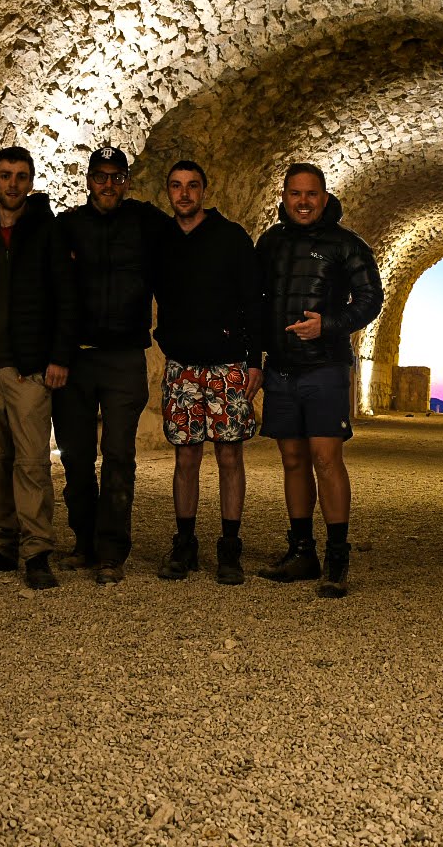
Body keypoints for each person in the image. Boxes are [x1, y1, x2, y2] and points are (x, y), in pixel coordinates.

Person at [255, 163, 383, 597]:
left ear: (324, 198)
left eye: (311, 194)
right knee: (292, 459)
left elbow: (370, 299)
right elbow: (256, 300)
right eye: (295, 193)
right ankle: (301, 551)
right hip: (280, 367)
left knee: (326, 459)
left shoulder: (347, 245)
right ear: (284, 197)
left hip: (325, 367)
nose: (304, 201)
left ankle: (337, 557)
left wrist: (327, 324)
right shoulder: (270, 243)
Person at [0, 146, 77, 590]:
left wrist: (59, 357)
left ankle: (37, 550)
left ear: (30, 182)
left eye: (20, 176)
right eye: (5, 175)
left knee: (30, 463)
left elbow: (66, 297)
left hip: (29, 369)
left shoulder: (46, 231)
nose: (12, 184)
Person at [52, 146, 166, 585]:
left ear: (127, 183)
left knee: (119, 455)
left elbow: (184, 241)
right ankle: (85, 543)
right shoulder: (68, 227)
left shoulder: (143, 223)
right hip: (77, 359)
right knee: (77, 457)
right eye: (100, 176)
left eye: (117, 177)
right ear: (88, 181)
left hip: (123, 358)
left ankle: (112, 552)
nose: (108, 185)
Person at [153, 160, 263, 585]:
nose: (184, 194)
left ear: (204, 190)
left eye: (192, 186)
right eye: (176, 186)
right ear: (168, 191)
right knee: (186, 455)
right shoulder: (161, 239)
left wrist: (256, 360)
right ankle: (185, 543)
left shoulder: (231, 237)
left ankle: (230, 547)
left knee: (230, 455)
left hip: (227, 364)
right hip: (182, 365)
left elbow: (253, 300)